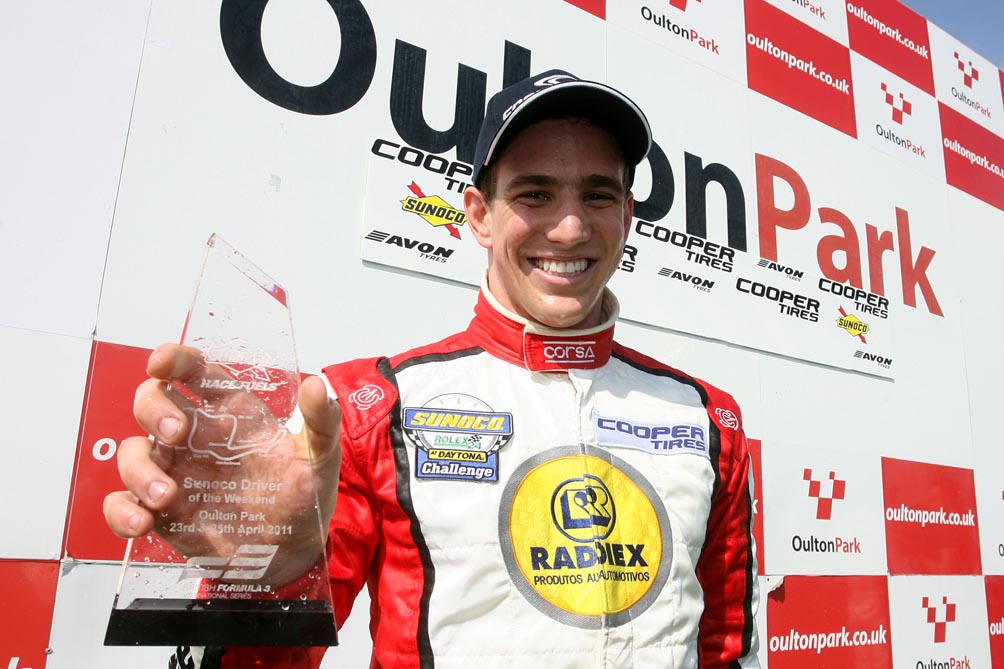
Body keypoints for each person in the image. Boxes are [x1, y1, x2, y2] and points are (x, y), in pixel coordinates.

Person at [105, 70, 760, 669]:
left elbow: (723, 648)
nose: (569, 228)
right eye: (535, 193)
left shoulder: (707, 418)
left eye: (597, 195)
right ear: (479, 215)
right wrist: (264, 582)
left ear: (627, 216)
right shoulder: (368, 406)